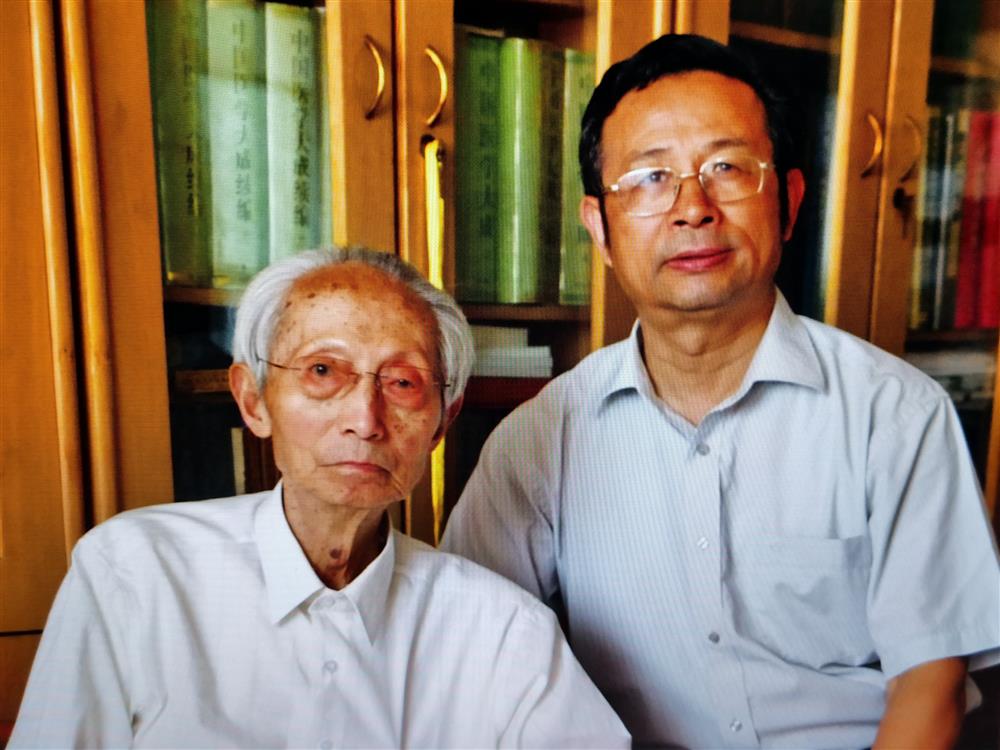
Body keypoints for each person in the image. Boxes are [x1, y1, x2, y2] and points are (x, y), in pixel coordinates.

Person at [442, 34, 1000, 749]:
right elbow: (472, 653)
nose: (692, 208)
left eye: (727, 167)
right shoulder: (539, 439)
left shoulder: (895, 414)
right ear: (599, 229)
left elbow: (930, 686)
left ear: (789, 202)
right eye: (650, 178)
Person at [11, 247, 629, 748]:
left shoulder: (503, 630)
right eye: (323, 372)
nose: (365, 419)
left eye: (403, 382)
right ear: (254, 400)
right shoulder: (134, 573)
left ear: (442, 422)